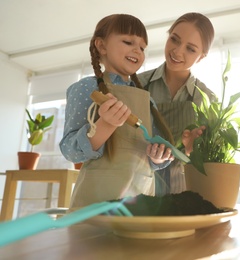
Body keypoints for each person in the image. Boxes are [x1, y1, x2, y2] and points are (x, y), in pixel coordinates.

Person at [60, 14, 176, 208]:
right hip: (96, 203)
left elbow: (150, 154)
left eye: (142, 47)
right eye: (128, 41)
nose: (137, 50)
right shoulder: (85, 89)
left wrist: (157, 157)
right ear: (102, 46)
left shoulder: (147, 100)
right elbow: (70, 151)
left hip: (140, 200)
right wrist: (104, 126)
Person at [138, 12, 217, 195]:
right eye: (174, 39)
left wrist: (192, 150)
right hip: (140, 187)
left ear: (201, 57)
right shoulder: (137, 84)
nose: (177, 51)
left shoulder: (207, 99)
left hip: (184, 189)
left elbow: (209, 160)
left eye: (190, 49)